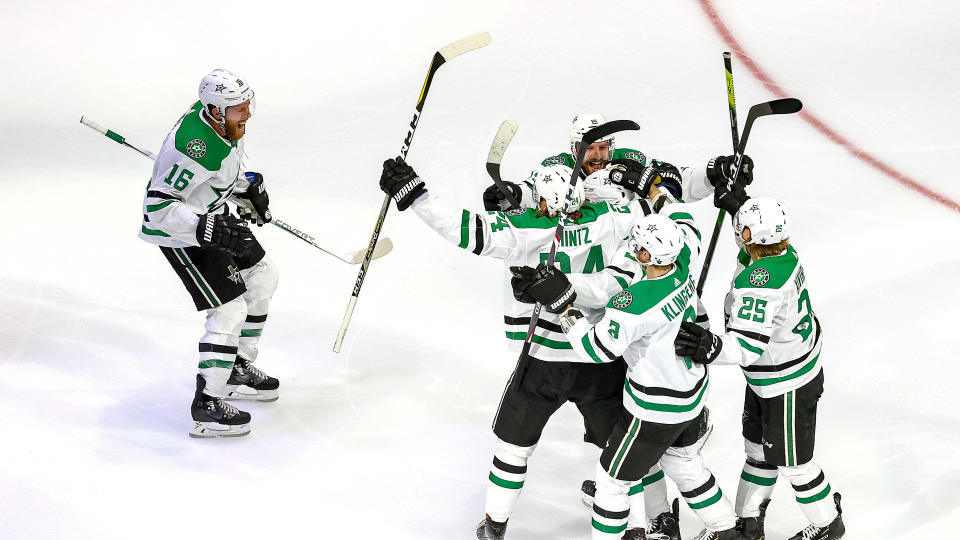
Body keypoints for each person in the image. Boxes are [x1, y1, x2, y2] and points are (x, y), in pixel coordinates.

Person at [379, 156, 658, 540]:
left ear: (543, 203)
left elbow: (464, 228)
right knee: (621, 450)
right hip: (600, 354)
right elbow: (654, 221)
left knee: (513, 447)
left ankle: (495, 523)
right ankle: (638, 527)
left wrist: (417, 195)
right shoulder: (612, 215)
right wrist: (657, 188)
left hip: (544, 359)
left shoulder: (524, 229)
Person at [518, 194, 747, 539]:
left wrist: (563, 307)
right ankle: (726, 529)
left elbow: (595, 350)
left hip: (653, 409)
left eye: (634, 245)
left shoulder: (633, 303)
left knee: (611, 483)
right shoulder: (682, 264)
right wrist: (659, 191)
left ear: (643, 256)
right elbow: (686, 224)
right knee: (684, 464)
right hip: (691, 396)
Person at [674, 193, 846, 539]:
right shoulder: (785, 252)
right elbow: (752, 247)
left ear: (750, 236)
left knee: (794, 465)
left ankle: (829, 524)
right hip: (776, 374)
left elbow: (747, 348)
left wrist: (709, 346)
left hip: (786, 385)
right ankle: (748, 521)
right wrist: (741, 205)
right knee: (758, 452)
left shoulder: (761, 284)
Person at [138, 69, 280, 438]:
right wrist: (205, 228)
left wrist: (245, 189)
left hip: (210, 218)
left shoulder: (223, 124)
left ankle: (237, 367)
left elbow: (215, 175)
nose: (247, 114)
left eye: (248, 104)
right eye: (239, 109)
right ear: (216, 111)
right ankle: (209, 405)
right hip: (181, 234)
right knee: (230, 308)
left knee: (262, 275)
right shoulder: (191, 147)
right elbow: (158, 208)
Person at [481, 112, 734, 213]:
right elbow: (536, 191)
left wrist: (714, 173)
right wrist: (510, 193)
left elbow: (677, 179)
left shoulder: (630, 160)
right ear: (575, 148)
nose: (598, 156)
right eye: (589, 149)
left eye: (603, 148)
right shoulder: (557, 166)